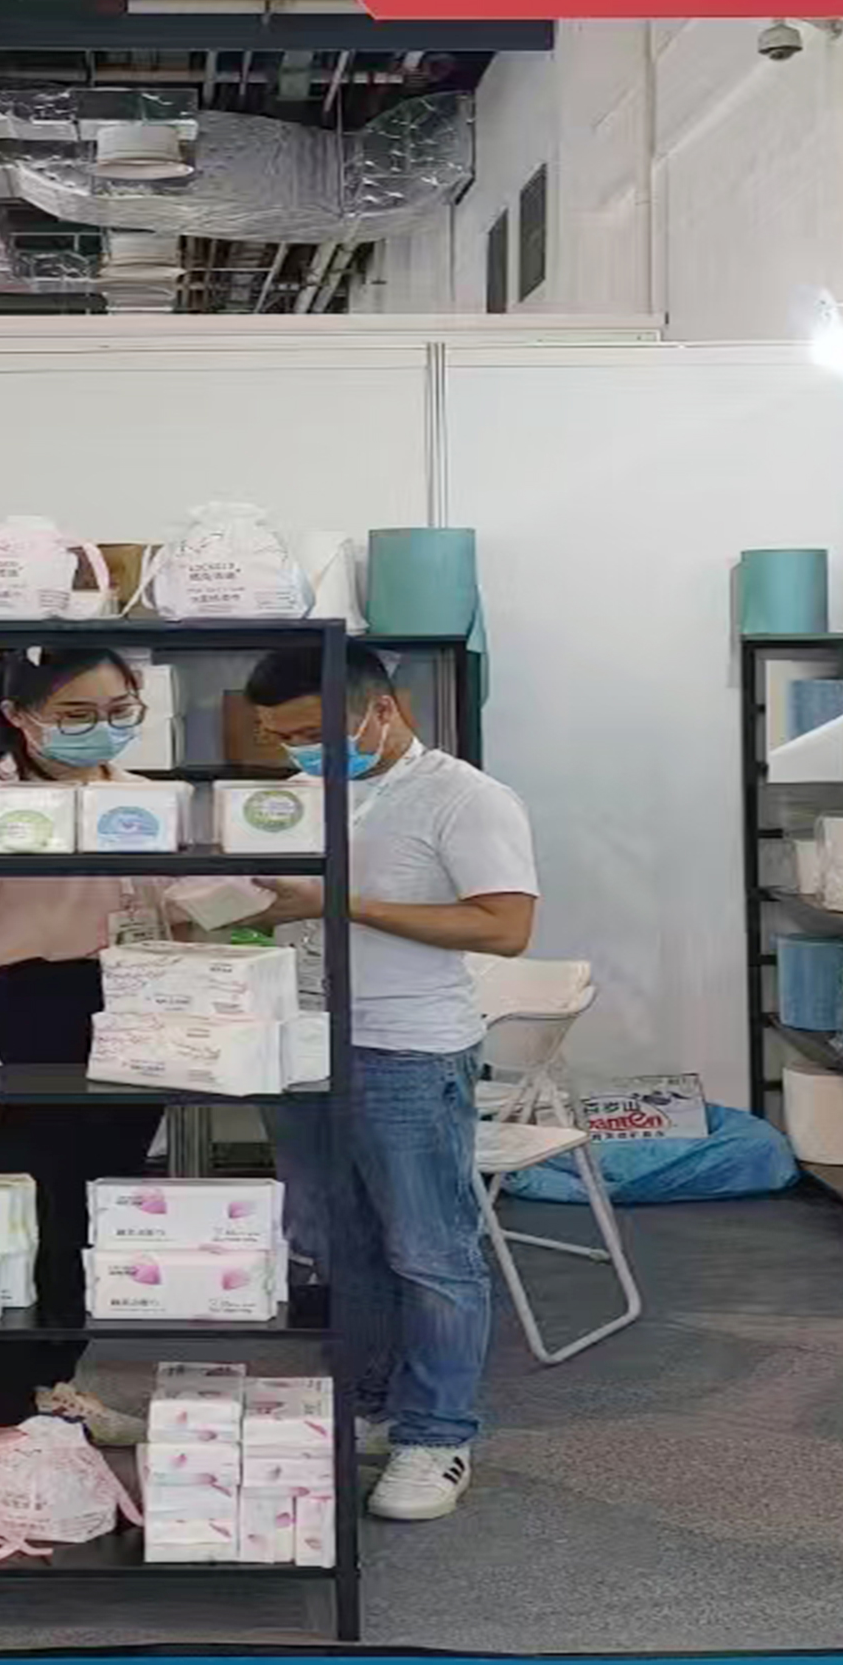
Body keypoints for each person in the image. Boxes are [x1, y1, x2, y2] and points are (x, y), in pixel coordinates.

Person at [247, 648, 538, 1525]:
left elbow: (505, 927)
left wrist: (338, 902)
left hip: (408, 1050)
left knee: (430, 1250)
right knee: (333, 1239)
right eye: (281, 737)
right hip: (298, 1045)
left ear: (383, 708)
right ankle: (371, 1404)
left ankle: (437, 1434)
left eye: (313, 732)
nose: (300, 751)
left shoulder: (466, 798)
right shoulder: (297, 797)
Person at [0, 648, 171, 1445]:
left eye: (119, 712)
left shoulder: (144, 799)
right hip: (13, 1018)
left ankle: (55, 1387)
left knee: (90, 1220)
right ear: (18, 718)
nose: (101, 730)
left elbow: (183, 908)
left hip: (125, 1010)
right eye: (76, 715)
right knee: (11, 1224)